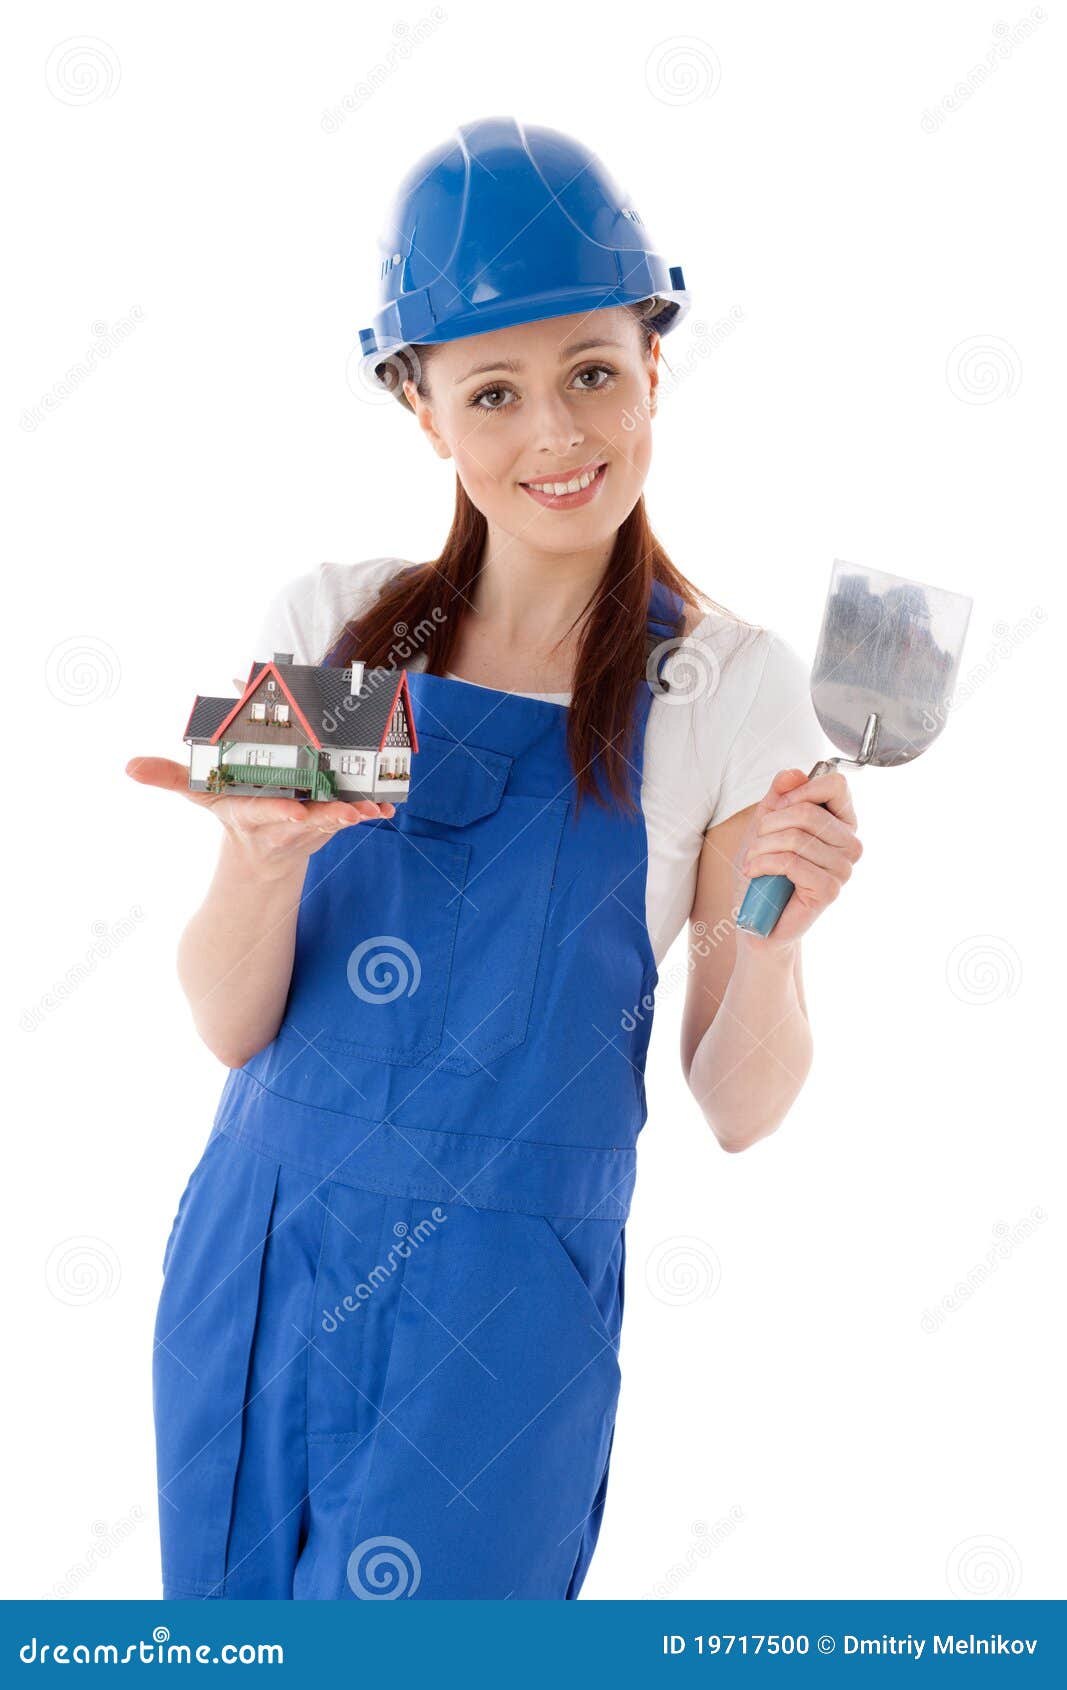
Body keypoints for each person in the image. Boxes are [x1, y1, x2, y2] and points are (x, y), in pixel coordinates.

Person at [128, 117, 862, 1601]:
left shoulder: (726, 687)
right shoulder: (344, 625)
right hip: (261, 1249)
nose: (555, 436)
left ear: (656, 358)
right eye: (494, 392)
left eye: (593, 370)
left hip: (504, 1311)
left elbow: (738, 1106)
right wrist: (260, 862)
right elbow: (230, 1024)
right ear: (422, 408)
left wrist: (773, 939)